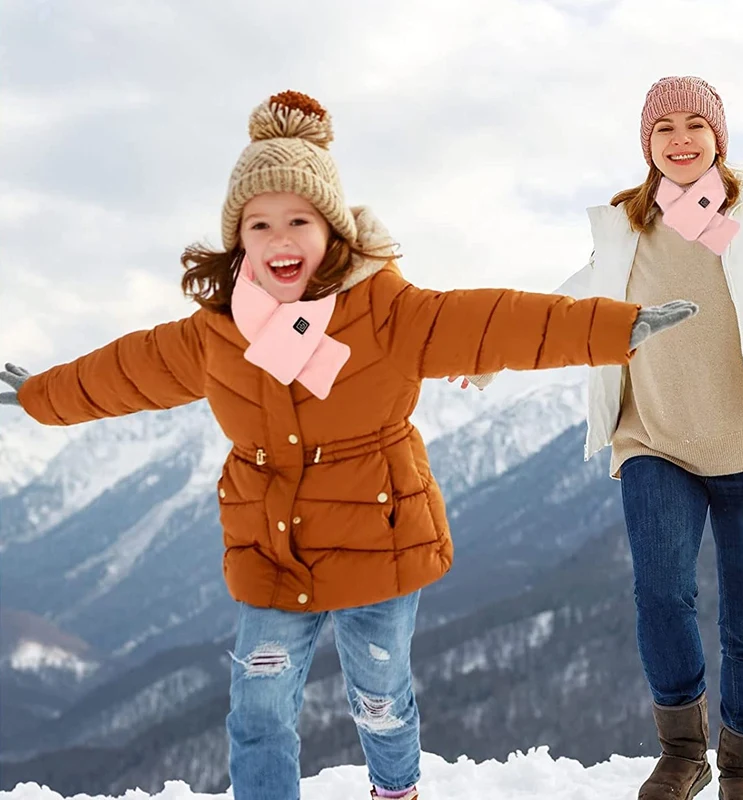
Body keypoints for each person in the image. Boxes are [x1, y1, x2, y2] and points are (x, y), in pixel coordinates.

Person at [0, 90, 694, 800]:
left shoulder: (387, 311)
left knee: (379, 699)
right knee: (259, 708)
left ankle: (396, 791)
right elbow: (125, 373)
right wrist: (38, 394)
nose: (280, 238)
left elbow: (499, 323)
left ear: (333, 230)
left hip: (378, 539)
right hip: (272, 547)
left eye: (299, 219)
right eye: (260, 223)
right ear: (238, 239)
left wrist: (616, 327)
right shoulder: (216, 333)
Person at [458, 77, 743, 800]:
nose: (680, 139)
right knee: (660, 594)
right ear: (647, 143)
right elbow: (563, 303)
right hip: (657, 441)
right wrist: (489, 352)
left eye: (694, 126)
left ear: (718, 138)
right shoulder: (628, 229)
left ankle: (742, 766)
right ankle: (684, 754)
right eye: (664, 127)